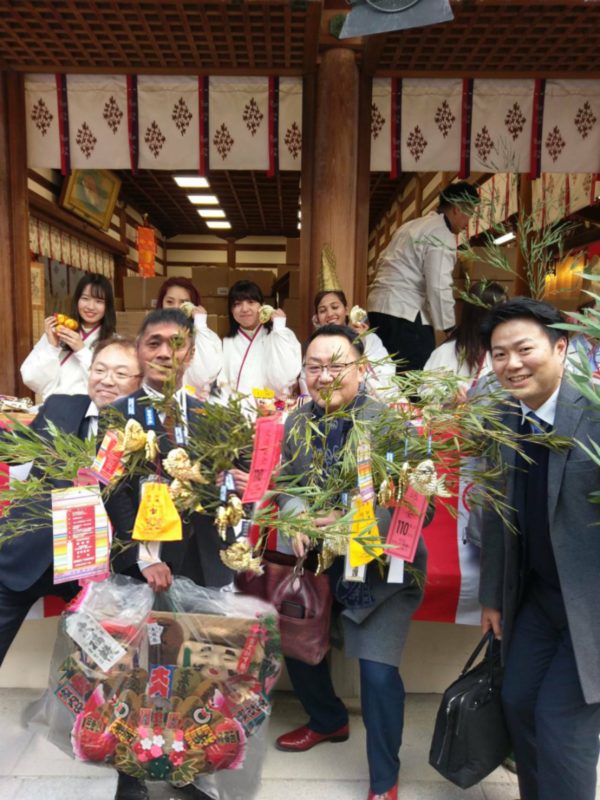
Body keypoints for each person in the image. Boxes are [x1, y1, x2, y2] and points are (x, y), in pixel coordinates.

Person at [274, 323, 427, 800]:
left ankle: (385, 779)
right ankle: (328, 720)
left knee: (378, 673)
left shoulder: (391, 424)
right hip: (317, 564)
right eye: (315, 367)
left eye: (336, 366)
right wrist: (295, 515)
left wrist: (351, 524)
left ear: (361, 369)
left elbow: (420, 505)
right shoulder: (297, 422)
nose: (325, 376)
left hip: (381, 570)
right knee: (298, 643)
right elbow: (286, 484)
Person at [105, 308, 232, 800]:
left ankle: (187, 769)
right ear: (140, 351)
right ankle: (131, 774)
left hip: (199, 561)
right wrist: (143, 557)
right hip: (142, 564)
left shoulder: (211, 415)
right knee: (136, 671)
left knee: (194, 671)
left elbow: (226, 488)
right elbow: (113, 492)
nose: (164, 352)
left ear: (191, 353)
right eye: (153, 342)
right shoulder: (117, 413)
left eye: (175, 343)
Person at [478, 297, 600, 800]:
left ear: (561, 346)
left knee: (562, 726)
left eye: (524, 349)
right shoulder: (503, 419)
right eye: (499, 354)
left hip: (590, 607)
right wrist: (492, 597)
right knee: (519, 702)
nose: (512, 364)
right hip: (538, 599)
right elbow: (494, 516)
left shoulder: (593, 414)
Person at [0, 336, 141, 666]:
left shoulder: (146, 432)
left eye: (120, 374)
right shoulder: (60, 406)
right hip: (28, 554)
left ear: (140, 381)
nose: (107, 380)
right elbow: (16, 449)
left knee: (108, 670)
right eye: (100, 370)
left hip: (99, 573)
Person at [367, 181, 480, 372]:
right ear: (457, 209)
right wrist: (449, 327)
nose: (468, 221)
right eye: (469, 213)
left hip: (378, 309)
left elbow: (380, 262)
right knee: (414, 376)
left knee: (383, 373)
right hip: (405, 314)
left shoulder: (410, 226)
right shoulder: (441, 234)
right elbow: (438, 285)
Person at [21, 273, 117, 400]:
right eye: (85, 298)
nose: (90, 306)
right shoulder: (56, 332)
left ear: (108, 306)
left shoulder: (115, 343)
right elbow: (30, 378)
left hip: (88, 409)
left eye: (99, 301)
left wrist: (81, 350)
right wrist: (52, 347)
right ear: (77, 300)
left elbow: (110, 386)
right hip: (51, 407)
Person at [218, 279, 302, 408]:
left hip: (273, 410)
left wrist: (279, 327)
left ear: (262, 306)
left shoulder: (280, 336)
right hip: (236, 413)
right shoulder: (226, 343)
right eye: (237, 304)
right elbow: (222, 384)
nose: (244, 309)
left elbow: (287, 377)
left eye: (251, 302)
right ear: (231, 310)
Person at [302, 290, 396, 398]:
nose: (330, 314)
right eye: (323, 311)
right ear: (317, 318)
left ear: (346, 310)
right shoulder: (315, 346)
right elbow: (306, 383)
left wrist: (359, 344)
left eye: (335, 307)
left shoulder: (369, 339)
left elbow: (386, 376)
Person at [423, 280, 507, 392]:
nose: (506, 320)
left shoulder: (505, 350)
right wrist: (451, 394)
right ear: (481, 316)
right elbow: (427, 389)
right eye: (500, 314)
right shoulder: (447, 351)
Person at [156, 276, 222, 398]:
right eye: (170, 302)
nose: (176, 308)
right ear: (161, 304)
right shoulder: (150, 336)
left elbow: (206, 376)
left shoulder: (207, 337)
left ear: (193, 306)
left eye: (183, 303)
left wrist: (200, 325)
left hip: (194, 404)